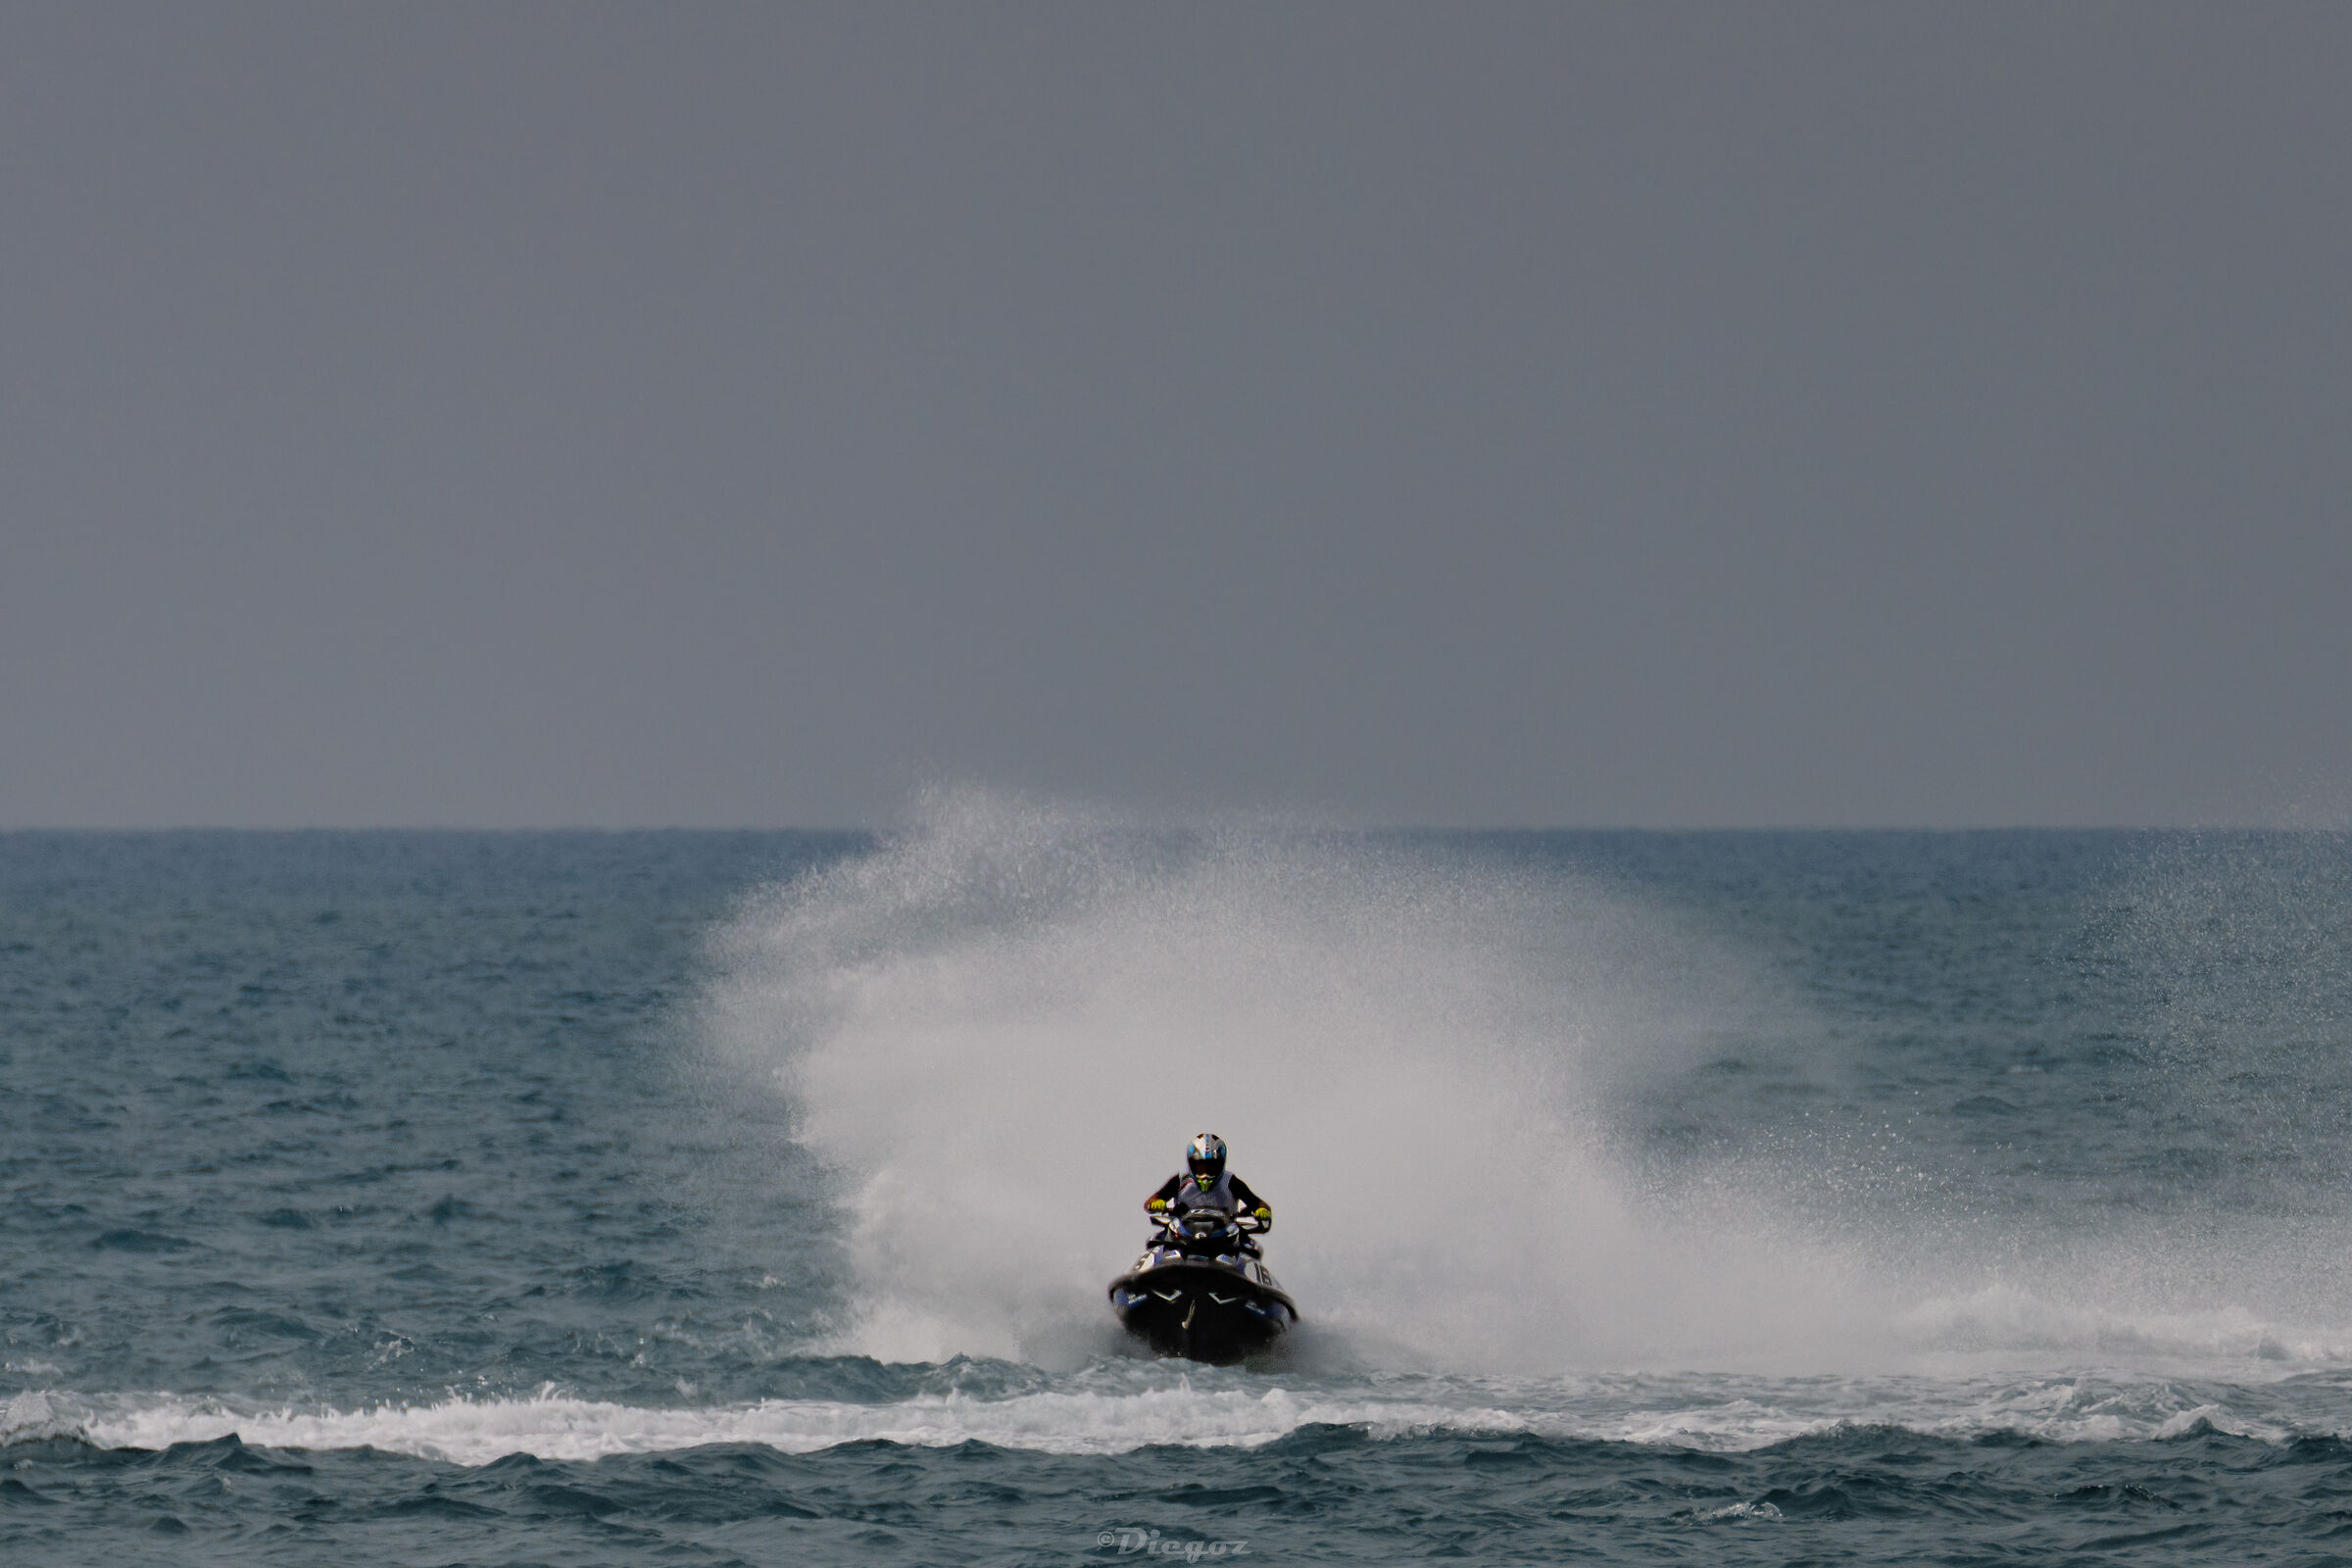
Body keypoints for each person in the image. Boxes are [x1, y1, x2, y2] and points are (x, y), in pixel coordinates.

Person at [1145, 1133, 1272, 1235]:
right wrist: (1155, 1204)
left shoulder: (1230, 1181)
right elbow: (1152, 1200)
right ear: (1191, 1163)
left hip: (1225, 1236)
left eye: (1211, 1165)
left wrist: (1262, 1211)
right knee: (1155, 1241)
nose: (1205, 1170)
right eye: (1201, 1165)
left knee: (1251, 1247)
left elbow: (1258, 1203)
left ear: (1221, 1163)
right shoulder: (1181, 1179)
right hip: (1182, 1234)